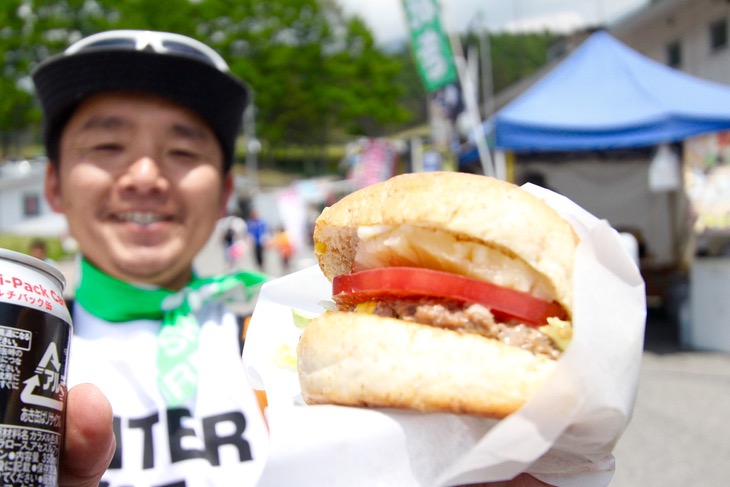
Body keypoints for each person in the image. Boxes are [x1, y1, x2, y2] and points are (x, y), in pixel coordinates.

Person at [33, 29, 270, 485]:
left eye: (183, 151)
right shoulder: (21, 357)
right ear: (54, 184)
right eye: (107, 147)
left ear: (224, 194)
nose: (145, 176)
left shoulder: (279, 342)